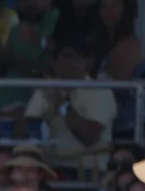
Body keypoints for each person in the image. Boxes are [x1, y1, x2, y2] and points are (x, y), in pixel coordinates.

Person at [22, 35, 115, 167]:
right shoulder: (47, 89)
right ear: (54, 63)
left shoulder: (100, 91)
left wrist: (62, 106)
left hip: (85, 171)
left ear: (87, 62)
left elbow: (90, 137)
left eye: (75, 57)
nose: (70, 63)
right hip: (48, 168)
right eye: (65, 56)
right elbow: (27, 128)